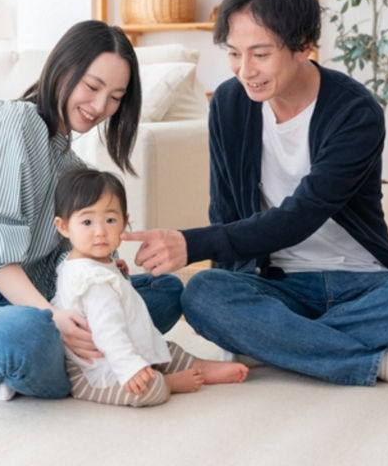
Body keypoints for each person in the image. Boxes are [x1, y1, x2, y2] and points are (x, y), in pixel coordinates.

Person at [124, 0, 388, 396]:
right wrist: (228, 287)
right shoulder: (230, 105)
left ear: (304, 47)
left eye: (260, 54)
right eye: (234, 54)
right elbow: (225, 210)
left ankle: (277, 344)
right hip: (277, 284)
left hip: (362, 283)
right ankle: (386, 362)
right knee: (203, 294)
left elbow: (300, 216)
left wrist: (191, 245)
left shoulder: (355, 111)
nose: (245, 70)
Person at [0, 20, 184, 401]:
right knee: (29, 333)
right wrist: (51, 317)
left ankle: (48, 363)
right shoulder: (10, 122)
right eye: (92, 87)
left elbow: (69, 264)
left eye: (116, 97)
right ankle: (61, 367)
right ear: (63, 67)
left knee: (164, 292)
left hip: (41, 303)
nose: (101, 107)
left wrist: (104, 269)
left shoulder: (72, 167)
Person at [51, 167, 248, 407]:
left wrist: (114, 267)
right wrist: (130, 368)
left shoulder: (84, 263)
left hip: (124, 346)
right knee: (147, 390)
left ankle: (198, 366)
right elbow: (107, 331)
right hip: (98, 370)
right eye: (87, 221)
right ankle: (170, 382)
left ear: (125, 221)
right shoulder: (94, 282)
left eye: (111, 220)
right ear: (63, 226)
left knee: (164, 348)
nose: (100, 232)